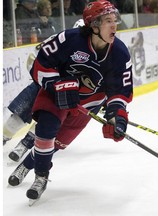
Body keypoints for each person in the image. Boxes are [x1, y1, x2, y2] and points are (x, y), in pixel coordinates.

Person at [8, 0, 133, 204]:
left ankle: (27, 163)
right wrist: (58, 86)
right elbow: (39, 65)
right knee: (45, 131)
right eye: (108, 21)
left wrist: (116, 117)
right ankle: (41, 176)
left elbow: (119, 91)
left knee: (57, 143)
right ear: (93, 25)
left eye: (115, 21)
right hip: (56, 95)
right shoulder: (68, 39)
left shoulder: (119, 52)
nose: (114, 26)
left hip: (87, 106)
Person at [3, 19, 85, 163]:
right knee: (20, 113)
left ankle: (23, 145)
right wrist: (41, 79)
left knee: (48, 119)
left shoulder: (94, 52)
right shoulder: (59, 40)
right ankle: (3, 137)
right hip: (42, 84)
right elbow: (32, 57)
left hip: (64, 91)